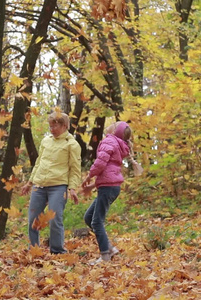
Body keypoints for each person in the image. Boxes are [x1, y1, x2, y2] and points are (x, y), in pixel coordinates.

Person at [21, 111, 81, 254]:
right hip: (39, 185)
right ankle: (34, 249)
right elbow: (38, 162)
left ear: (65, 126)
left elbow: (75, 168)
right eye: (50, 127)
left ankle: (57, 251)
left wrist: (72, 188)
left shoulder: (72, 144)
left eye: (55, 127)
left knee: (54, 219)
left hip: (58, 187)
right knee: (33, 220)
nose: (52, 130)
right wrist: (30, 183)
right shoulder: (46, 141)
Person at [82, 121, 133, 265]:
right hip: (111, 187)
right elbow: (107, 173)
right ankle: (110, 248)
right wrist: (92, 186)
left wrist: (88, 176)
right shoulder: (116, 143)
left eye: (114, 124)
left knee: (97, 221)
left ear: (115, 130)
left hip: (108, 188)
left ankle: (105, 256)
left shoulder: (109, 141)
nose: (111, 124)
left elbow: (100, 163)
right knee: (89, 217)